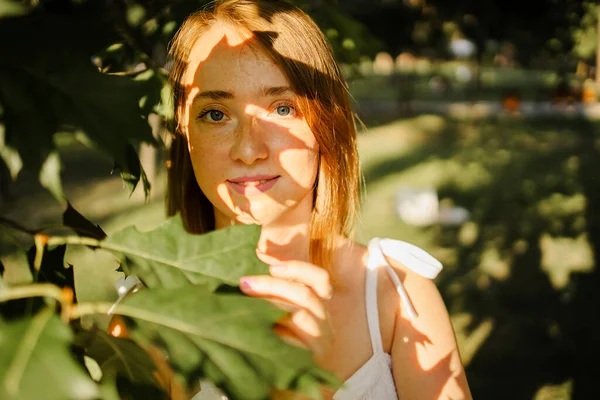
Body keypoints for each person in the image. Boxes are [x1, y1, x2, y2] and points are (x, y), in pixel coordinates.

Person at [165, 1, 472, 398]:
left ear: (326, 121)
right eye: (215, 114)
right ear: (183, 127)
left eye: (282, 107)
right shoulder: (149, 316)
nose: (247, 150)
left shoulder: (396, 297)